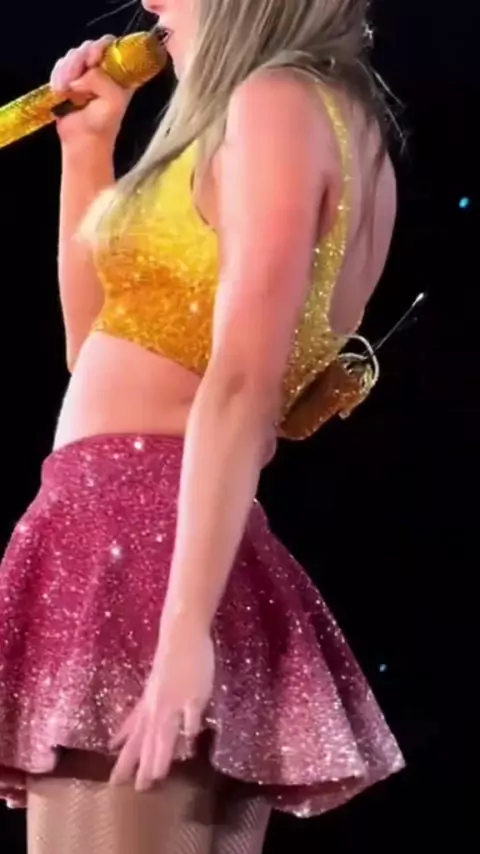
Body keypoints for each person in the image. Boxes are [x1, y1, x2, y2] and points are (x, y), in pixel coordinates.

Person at [0, 1, 405, 851]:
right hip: (165, 535)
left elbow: (244, 381)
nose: (150, 3)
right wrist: (87, 147)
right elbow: (95, 342)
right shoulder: (318, 117)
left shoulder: (275, 104)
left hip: (141, 543)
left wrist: (181, 629)